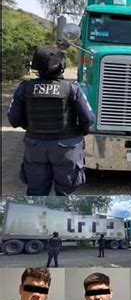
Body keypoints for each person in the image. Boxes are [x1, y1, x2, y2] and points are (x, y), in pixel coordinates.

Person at [7, 45, 95, 196]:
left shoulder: (25, 88)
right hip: (67, 148)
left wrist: (31, 127)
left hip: (35, 146)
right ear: (61, 66)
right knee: (66, 194)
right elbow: (88, 119)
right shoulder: (72, 88)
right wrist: (81, 131)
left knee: (36, 194)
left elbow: (14, 119)